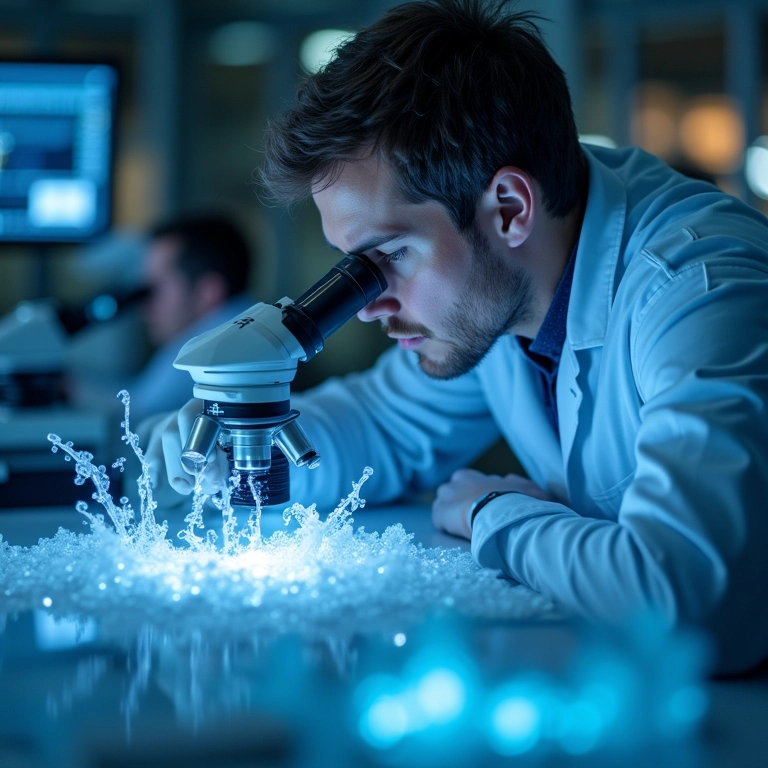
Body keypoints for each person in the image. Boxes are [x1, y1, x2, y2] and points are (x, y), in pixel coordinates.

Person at [147, 0, 768, 675]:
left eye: (386, 256)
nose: (365, 304)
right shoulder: (501, 284)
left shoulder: (702, 293)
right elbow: (384, 423)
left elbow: (690, 605)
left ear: (509, 208)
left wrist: (494, 514)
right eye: (351, 266)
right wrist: (247, 453)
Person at [130, 212, 255, 424]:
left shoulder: (205, 352)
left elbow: (132, 419)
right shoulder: (250, 325)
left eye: (155, 290)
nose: (146, 308)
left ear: (208, 292)